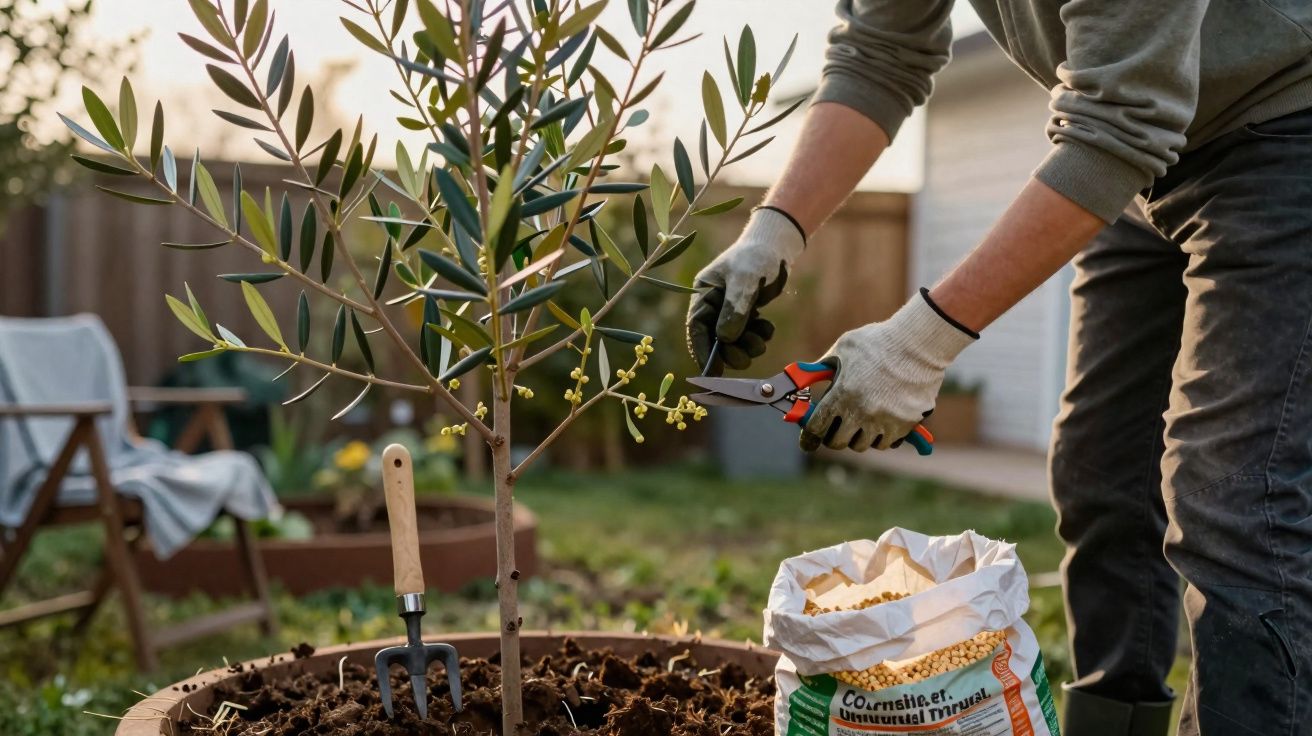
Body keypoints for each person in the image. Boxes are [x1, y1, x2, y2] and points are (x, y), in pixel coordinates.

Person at [685, 3, 1312, 735]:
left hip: (1285, 129)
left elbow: (1117, 125)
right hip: (1146, 159)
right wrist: (775, 227)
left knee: (1236, 499)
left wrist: (919, 343)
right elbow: (879, 51)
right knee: (1103, 471)